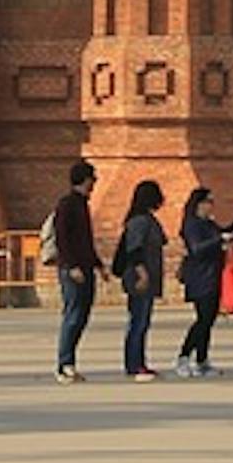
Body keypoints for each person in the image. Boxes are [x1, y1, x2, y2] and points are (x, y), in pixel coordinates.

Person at [40, 159, 101, 383]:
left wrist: (98, 265)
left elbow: (86, 240)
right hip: (72, 269)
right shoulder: (67, 204)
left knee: (82, 315)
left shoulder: (82, 204)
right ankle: (64, 364)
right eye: (93, 179)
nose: (94, 184)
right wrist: (71, 265)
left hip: (85, 267)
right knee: (73, 315)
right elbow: (64, 239)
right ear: (85, 180)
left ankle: (70, 362)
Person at [109, 180, 169, 381]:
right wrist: (142, 274)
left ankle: (139, 362)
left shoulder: (145, 219)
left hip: (146, 277)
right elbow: (134, 250)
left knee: (142, 321)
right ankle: (134, 365)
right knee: (138, 321)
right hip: (139, 278)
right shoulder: (140, 222)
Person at [173, 188, 233, 379]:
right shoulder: (192, 224)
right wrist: (220, 240)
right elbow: (197, 248)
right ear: (199, 203)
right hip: (200, 277)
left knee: (208, 319)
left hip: (213, 275)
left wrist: (232, 230)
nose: (211, 205)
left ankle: (202, 360)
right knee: (203, 319)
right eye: (208, 201)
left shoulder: (208, 223)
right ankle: (184, 356)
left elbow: (219, 233)